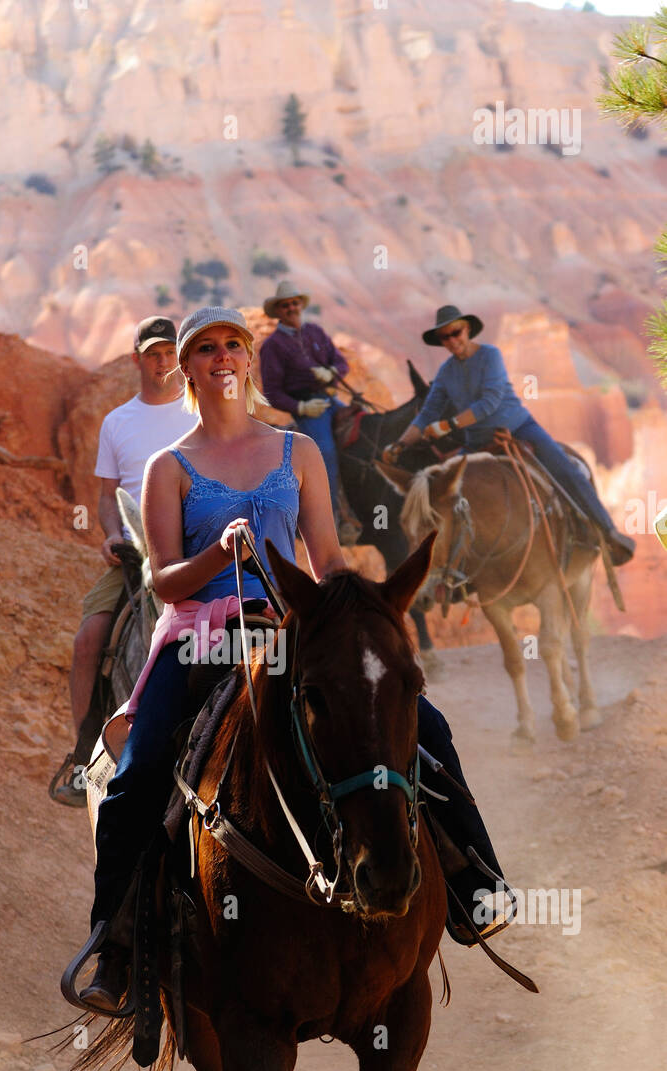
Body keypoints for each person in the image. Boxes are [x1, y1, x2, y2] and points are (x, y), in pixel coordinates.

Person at [75, 306, 513, 1015]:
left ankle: (475, 883)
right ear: (186, 367)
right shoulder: (169, 466)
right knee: (138, 775)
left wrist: (354, 612)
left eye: (233, 346)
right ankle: (115, 948)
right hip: (202, 635)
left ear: (249, 360)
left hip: (290, 633)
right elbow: (160, 579)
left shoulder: (297, 453)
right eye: (206, 348)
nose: (222, 357)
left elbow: (328, 561)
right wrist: (219, 555)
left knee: (424, 728)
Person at [51, 316, 192, 806]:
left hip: (195, 547)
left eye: (169, 352)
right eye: (152, 353)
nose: (161, 361)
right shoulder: (118, 422)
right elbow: (106, 496)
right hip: (136, 554)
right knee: (89, 637)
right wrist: (111, 533)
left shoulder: (198, 414)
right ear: (137, 359)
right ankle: (84, 756)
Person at [383, 304, 635, 566]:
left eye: (455, 332)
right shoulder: (446, 373)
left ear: (467, 329)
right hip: (477, 442)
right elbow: (426, 414)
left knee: (564, 469)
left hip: (518, 428)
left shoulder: (490, 356)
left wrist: (449, 425)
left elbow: (490, 402)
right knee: (438, 493)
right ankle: (452, 568)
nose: (452, 340)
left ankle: (608, 533)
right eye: (445, 337)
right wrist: (400, 444)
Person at [258, 279, 349, 518]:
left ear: (301, 305)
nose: (291, 308)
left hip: (330, 399)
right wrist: (302, 407)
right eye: (285, 305)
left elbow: (341, 362)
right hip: (307, 408)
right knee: (325, 452)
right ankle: (330, 515)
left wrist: (333, 372)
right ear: (278, 311)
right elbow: (272, 393)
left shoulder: (315, 332)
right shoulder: (272, 346)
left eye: (294, 303)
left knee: (364, 426)